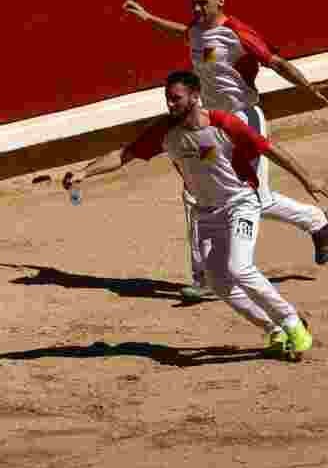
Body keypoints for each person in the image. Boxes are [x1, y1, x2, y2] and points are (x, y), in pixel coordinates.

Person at [65, 70, 325, 355]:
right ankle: (273, 330)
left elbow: (269, 149)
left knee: (240, 268)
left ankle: (292, 323)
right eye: (168, 99)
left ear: (195, 96)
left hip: (240, 203)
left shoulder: (224, 123)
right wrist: (84, 172)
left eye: (176, 99)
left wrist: (307, 179)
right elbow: (124, 155)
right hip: (207, 212)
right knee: (217, 281)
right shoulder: (164, 130)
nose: (170, 105)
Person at [123, 0, 328, 300]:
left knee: (252, 198)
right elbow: (185, 33)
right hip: (212, 124)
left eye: (203, 3)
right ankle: (204, 275)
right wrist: (149, 19)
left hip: (244, 119)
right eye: (193, 3)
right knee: (199, 194)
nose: (197, 9)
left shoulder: (238, 34)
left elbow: (275, 62)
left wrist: (308, 87)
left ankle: (315, 220)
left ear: (221, 1)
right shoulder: (196, 31)